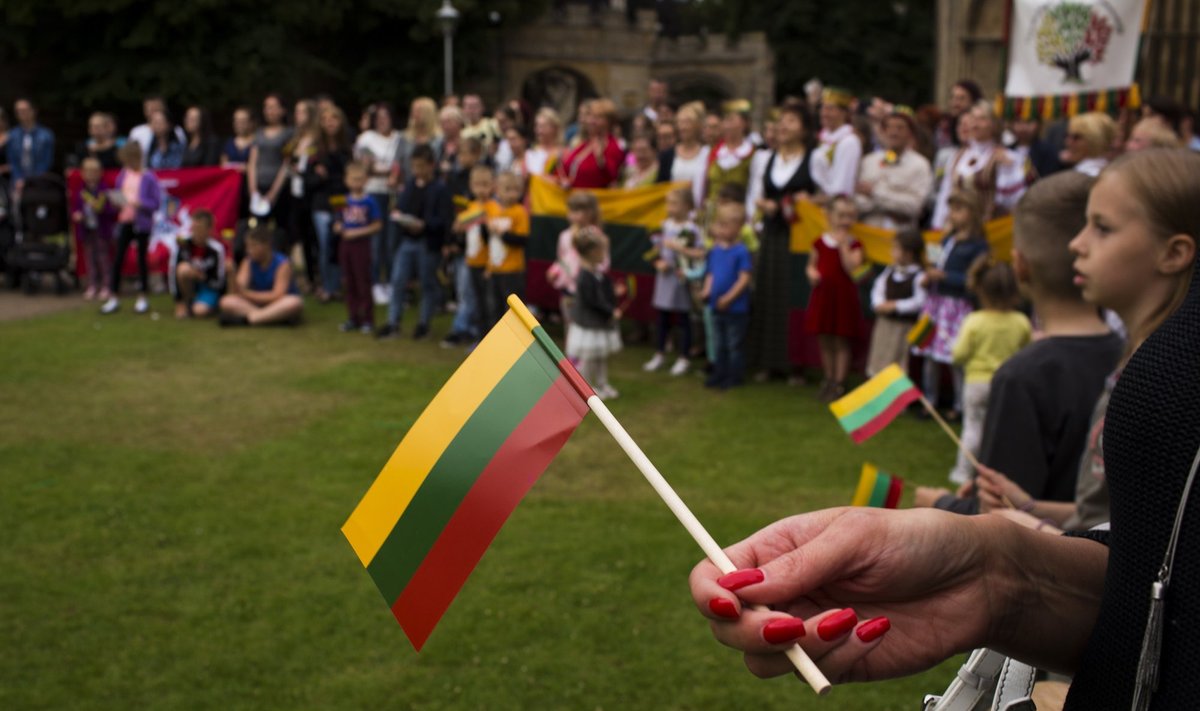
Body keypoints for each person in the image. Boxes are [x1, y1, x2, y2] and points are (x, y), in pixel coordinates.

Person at [688, 148, 1200, 710]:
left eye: (1101, 228)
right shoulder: (1143, 366)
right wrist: (1000, 571)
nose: (1080, 243)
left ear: (1176, 251)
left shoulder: (1053, 374)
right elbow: (1155, 558)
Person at [921, 171, 1123, 512]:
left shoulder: (1022, 377)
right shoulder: (1129, 354)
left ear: (1020, 266)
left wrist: (943, 503)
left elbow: (1001, 519)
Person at [745, 103, 817, 382]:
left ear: (804, 129)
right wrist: (764, 206)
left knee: (793, 297)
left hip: (799, 239)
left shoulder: (814, 159)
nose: (784, 126)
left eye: (791, 120)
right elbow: (757, 195)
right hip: (772, 235)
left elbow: (828, 195)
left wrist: (806, 202)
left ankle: (796, 363)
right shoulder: (766, 158)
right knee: (768, 294)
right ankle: (768, 361)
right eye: (782, 120)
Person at [944, 258, 1030, 485]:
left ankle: (964, 473)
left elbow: (958, 355)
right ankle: (1002, 473)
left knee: (972, 428)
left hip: (977, 383)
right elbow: (1027, 353)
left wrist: (955, 348)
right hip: (1006, 385)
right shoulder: (1021, 321)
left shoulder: (974, 321)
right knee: (1003, 430)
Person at [917, 188, 990, 420]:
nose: (952, 214)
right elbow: (933, 261)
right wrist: (929, 273)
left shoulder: (978, 246)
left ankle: (959, 405)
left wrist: (946, 277)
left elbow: (974, 281)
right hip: (936, 303)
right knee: (929, 354)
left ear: (972, 212)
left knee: (955, 356)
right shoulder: (946, 238)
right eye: (951, 209)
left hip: (957, 306)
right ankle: (929, 400)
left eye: (958, 209)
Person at [378, 144, 451, 340]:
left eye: (420, 166)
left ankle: (423, 324)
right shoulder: (410, 185)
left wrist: (425, 225)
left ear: (430, 165)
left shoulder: (440, 189)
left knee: (427, 283)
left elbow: (444, 219)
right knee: (398, 280)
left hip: (427, 243)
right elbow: (401, 207)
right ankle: (393, 322)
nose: (417, 170)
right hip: (408, 241)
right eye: (414, 166)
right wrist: (400, 217)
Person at [930, 101, 1028, 229]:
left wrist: (1008, 170)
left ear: (994, 124)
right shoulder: (958, 156)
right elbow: (945, 194)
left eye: (982, 119)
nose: (975, 123)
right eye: (973, 118)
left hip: (989, 229)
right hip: (956, 228)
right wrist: (937, 226)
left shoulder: (1007, 157)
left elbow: (1013, 201)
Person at [805, 196, 865, 401]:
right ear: (829, 216)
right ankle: (828, 378)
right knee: (825, 339)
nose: (845, 221)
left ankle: (840, 382)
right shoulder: (819, 242)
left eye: (850, 216)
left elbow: (851, 269)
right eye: (841, 216)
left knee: (841, 340)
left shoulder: (855, 244)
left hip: (843, 298)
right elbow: (811, 264)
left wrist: (843, 247)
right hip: (823, 296)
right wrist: (811, 273)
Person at [644, 186, 703, 376]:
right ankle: (660, 353)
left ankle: (684, 357)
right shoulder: (664, 225)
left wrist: (680, 250)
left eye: (675, 203)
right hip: (664, 279)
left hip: (682, 280)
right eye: (668, 203)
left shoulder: (691, 229)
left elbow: (700, 252)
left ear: (687, 206)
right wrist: (658, 262)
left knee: (683, 319)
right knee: (662, 318)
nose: (670, 207)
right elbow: (653, 250)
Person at [101, 143, 162, 315]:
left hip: (141, 223)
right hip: (125, 221)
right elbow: (120, 197)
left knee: (141, 260)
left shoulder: (148, 177)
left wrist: (141, 204)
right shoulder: (123, 174)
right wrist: (116, 202)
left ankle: (143, 297)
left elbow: (156, 203)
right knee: (118, 258)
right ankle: (113, 297)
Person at [700, 201, 753, 390]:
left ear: (738, 228)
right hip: (716, 305)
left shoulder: (741, 252)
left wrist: (729, 298)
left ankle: (734, 375)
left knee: (733, 344)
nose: (721, 229)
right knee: (718, 342)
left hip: (735, 308)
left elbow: (744, 279)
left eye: (726, 225)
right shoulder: (715, 250)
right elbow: (711, 274)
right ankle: (719, 373)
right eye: (719, 224)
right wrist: (707, 291)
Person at [442, 164, 496, 347]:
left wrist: (484, 221)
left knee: (489, 303)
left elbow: (493, 229)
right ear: (471, 186)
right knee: (474, 299)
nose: (481, 189)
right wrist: (459, 226)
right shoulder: (471, 206)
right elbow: (459, 226)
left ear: (493, 186)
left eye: (485, 184)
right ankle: (478, 337)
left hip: (488, 263)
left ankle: (488, 340)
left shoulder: (494, 207)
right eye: (478, 185)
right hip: (471, 261)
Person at [854, 108, 933, 231]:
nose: (894, 133)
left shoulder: (920, 165)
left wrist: (874, 193)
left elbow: (914, 206)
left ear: (910, 134)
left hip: (901, 236)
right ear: (883, 132)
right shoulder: (869, 161)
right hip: (869, 232)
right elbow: (857, 201)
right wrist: (893, 205)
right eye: (889, 128)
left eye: (900, 128)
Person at [567, 228, 623, 400]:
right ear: (592, 252)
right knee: (589, 358)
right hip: (588, 324)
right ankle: (587, 387)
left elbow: (604, 292)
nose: (604, 254)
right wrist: (611, 310)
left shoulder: (598, 273)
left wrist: (614, 293)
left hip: (599, 323)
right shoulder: (584, 276)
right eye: (602, 250)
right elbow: (593, 300)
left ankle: (602, 383)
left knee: (600, 357)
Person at [354, 102, 400, 305]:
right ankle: (374, 284)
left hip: (393, 194)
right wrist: (389, 171)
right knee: (375, 242)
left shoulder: (400, 138)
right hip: (373, 193)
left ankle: (391, 283)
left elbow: (402, 164)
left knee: (391, 242)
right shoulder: (366, 138)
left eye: (386, 116)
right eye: (379, 117)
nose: (383, 121)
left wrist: (391, 172)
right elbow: (365, 166)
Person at [865, 229, 927, 376]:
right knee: (880, 357)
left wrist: (896, 306)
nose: (892, 252)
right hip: (884, 324)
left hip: (904, 328)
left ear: (909, 253)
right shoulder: (891, 270)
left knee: (899, 361)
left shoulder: (919, 276)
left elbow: (920, 301)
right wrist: (878, 303)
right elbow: (878, 287)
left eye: (896, 249)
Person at [218, 225, 304, 326]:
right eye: (248, 246)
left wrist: (246, 294)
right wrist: (232, 274)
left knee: (293, 302)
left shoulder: (283, 264)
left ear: (267, 245)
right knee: (226, 301)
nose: (249, 250)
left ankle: (248, 320)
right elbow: (237, 291)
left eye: (254, 246)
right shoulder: (248, 262)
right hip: (256, 304)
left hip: (277, 302)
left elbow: (277, 295)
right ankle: (273, 318)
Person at [309, 105, 353, 303]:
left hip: (342, 200)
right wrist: (320, 177)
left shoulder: (348, 146)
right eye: (326, 119)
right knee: (325, 242)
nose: (330, 123)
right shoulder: (315, 148)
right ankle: (327, 286)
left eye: (333, 119)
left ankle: (337, 285)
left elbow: (350, 175)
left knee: (338, 242)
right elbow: (308, 177)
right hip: (321, 201)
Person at [333, 162, 383, 333]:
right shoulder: (343, 201)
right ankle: (353, 317)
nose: (356, 183)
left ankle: (368, 319)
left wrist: (358, 232)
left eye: (360, 179)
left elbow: (377, 225)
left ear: (366, 180)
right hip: (345, 245)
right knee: (349, 281)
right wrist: (338, 227)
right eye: (353, 179)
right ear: (346, 180)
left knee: (363, 281)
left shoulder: (370, 201)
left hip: (361, 245)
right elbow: (337, 221)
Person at [548, 191, 606, 329]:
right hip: (567, 289)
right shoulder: (564, 235)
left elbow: (602, 262)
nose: (573, 215)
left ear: (590, 213)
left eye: (578, 210)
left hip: (586, 289)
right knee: (569, 323)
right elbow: (561, 259)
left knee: (585, 326)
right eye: (571, 210)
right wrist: (554, 271)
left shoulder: (595, 234)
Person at [484, 172, 531, 330]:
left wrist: (501, 233)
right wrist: (489, 267)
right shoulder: (493, 210)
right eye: (507, 189)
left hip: (512, 270)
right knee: (493, 307)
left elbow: (522, 240)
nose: (512, 194)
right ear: (498, 190)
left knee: (513, 311)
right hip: (495, 269)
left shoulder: (520, 212)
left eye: (516, 190)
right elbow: (490, 242)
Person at [283, 99, 320, 290]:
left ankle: (318, 277)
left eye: (302, 112)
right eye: (296, 112)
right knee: (299, 235)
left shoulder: (318, 139)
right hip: (295, 192)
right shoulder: (295, 138)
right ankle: (307, 278)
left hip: (312, 193)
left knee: (314, 237)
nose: (297, 116)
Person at [71, 157, 117, 301]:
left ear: (100, 173)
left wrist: (100, 208)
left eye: (94, 172)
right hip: (86, 229)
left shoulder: (104, 190)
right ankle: (92, 285)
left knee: (103, 258)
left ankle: (107, 285)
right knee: (89, 259)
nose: (91, 175)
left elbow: (112, 211)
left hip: (102, 230)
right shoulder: (80, 191)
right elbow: (75, 209)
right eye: (88, 172)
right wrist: (78, 215)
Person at [169, 209, 226, 319]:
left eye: (199, 228)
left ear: (209, 230)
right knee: (183, 269)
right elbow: (173, 273)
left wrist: (201, 277)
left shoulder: (217, 249)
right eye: (194, 227)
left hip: (208, 286)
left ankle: (213, 305)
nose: (195, 231)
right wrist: (178, 300)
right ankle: (185, 303)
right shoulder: (182, 245)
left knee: (200, 311)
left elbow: (219, 280)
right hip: (190, 285)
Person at [246, 94, 293, 223]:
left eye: (273, 107)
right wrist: (253, 190)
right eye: (266, 107)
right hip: (258, 186)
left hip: (278, 188)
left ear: (282, 110)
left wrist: (273, 193)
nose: (269, 111)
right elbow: (252, 162)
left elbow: (286, 163)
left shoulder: (289, 133)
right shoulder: (259, 132)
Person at [704, 102, 756, 218]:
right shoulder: (713, 152)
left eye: (731, 120)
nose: (727, 125)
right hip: (712, 215)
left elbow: (754, 190)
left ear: (744, 123)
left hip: (737, 216)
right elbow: (704, 186)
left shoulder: (753, 154)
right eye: (725, 120)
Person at [810, 88, 863, 201]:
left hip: (832, 205)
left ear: (844, 113)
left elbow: (843, 186)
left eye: (830, 109)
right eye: (823, 108)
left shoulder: (849, 141)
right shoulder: (822, 138)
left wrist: (821, 199)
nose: (824, 113)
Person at [559, 98, 623, 189]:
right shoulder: (586, 144)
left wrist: (602, 161)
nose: (591, 121)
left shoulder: (612, 146)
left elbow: (612, 178)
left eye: (597, 118)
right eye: (590, 116)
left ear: (608, 122)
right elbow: (566, 169)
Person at [656, 101, 711, 209]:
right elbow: (660, 187)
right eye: (680, 122)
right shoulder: (668, 155)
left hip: (698, 212)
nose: (683, 127)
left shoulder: (708, 153)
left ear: (697, 125)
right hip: (672, 213)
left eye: (688, 123)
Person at [7, 98, 55, 192]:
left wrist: (31, 181)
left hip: (39, 181)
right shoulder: (12, 135)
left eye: (24, 110)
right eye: (18, 111)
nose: (21, 113)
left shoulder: (46, 135)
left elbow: (46, 161)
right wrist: (18, 179)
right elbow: (12, 161)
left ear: (33, 111)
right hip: (17, 183)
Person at [394, 97, 444, 183]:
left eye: (418, 111)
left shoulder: (440, 138)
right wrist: (394, 177)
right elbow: (397, 161)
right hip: (408, 184)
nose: (413, 114)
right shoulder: (405, 137)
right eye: (413, 111)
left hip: (433, 184)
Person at [1060, 111, 1117, 177]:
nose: (1068, 142)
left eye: (1076, 137)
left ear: (1095, 141)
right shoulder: (1106, 170)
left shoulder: (1088, 174)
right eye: (1067, 136)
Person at [524, 108, 564, 178]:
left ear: (554, 128)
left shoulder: (564, 152)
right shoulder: (531, 152)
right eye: (537, 126)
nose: (539, 130)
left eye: (543, 126)